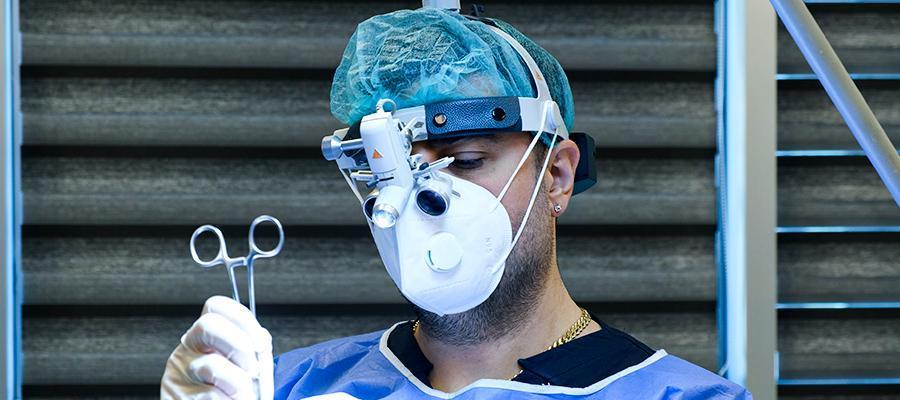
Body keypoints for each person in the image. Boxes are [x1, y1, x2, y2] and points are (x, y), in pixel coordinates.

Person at [161, 4, 752, 399]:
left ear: (557, 176)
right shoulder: (288, 386)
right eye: (386, 171)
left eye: (464, 161)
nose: (421, 200)